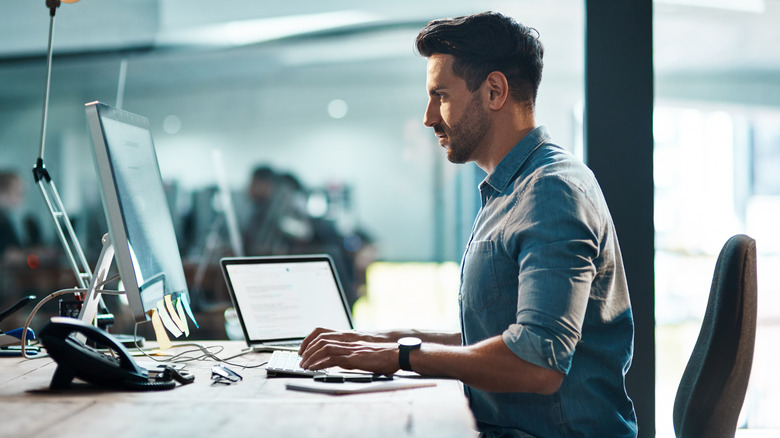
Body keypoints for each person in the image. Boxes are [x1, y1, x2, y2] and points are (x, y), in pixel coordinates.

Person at [299, 11, 637, 437]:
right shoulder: (509, 190)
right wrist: (381, 341)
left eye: (440, 95)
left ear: (494, 90)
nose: (427, 117)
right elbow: (494, 337)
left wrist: (399, 357)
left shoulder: (552, 191)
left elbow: (537, 361)